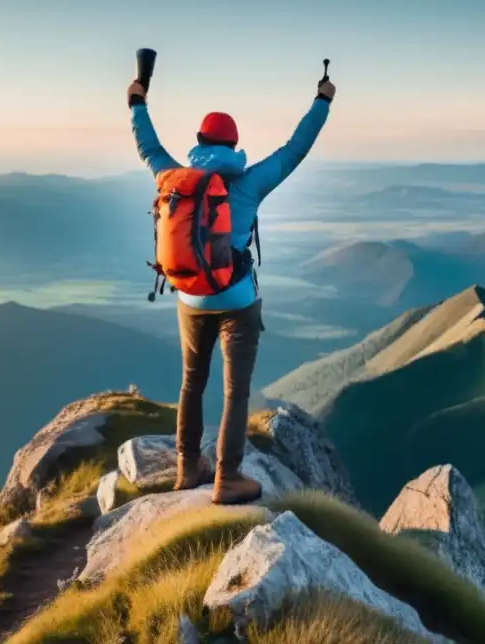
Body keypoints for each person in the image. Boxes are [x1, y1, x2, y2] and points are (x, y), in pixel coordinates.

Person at [127, 72, 336, 504]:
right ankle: (227, 477)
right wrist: (322, 100)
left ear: (199, 141)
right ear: (233, 145)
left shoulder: (171, 176)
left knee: (191, 383)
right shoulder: (248, 183)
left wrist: (137, 101)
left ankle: (187, 467)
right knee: (235, 390)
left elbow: (147, 144)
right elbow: (295, 149)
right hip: (237, 299)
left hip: (189, 297)